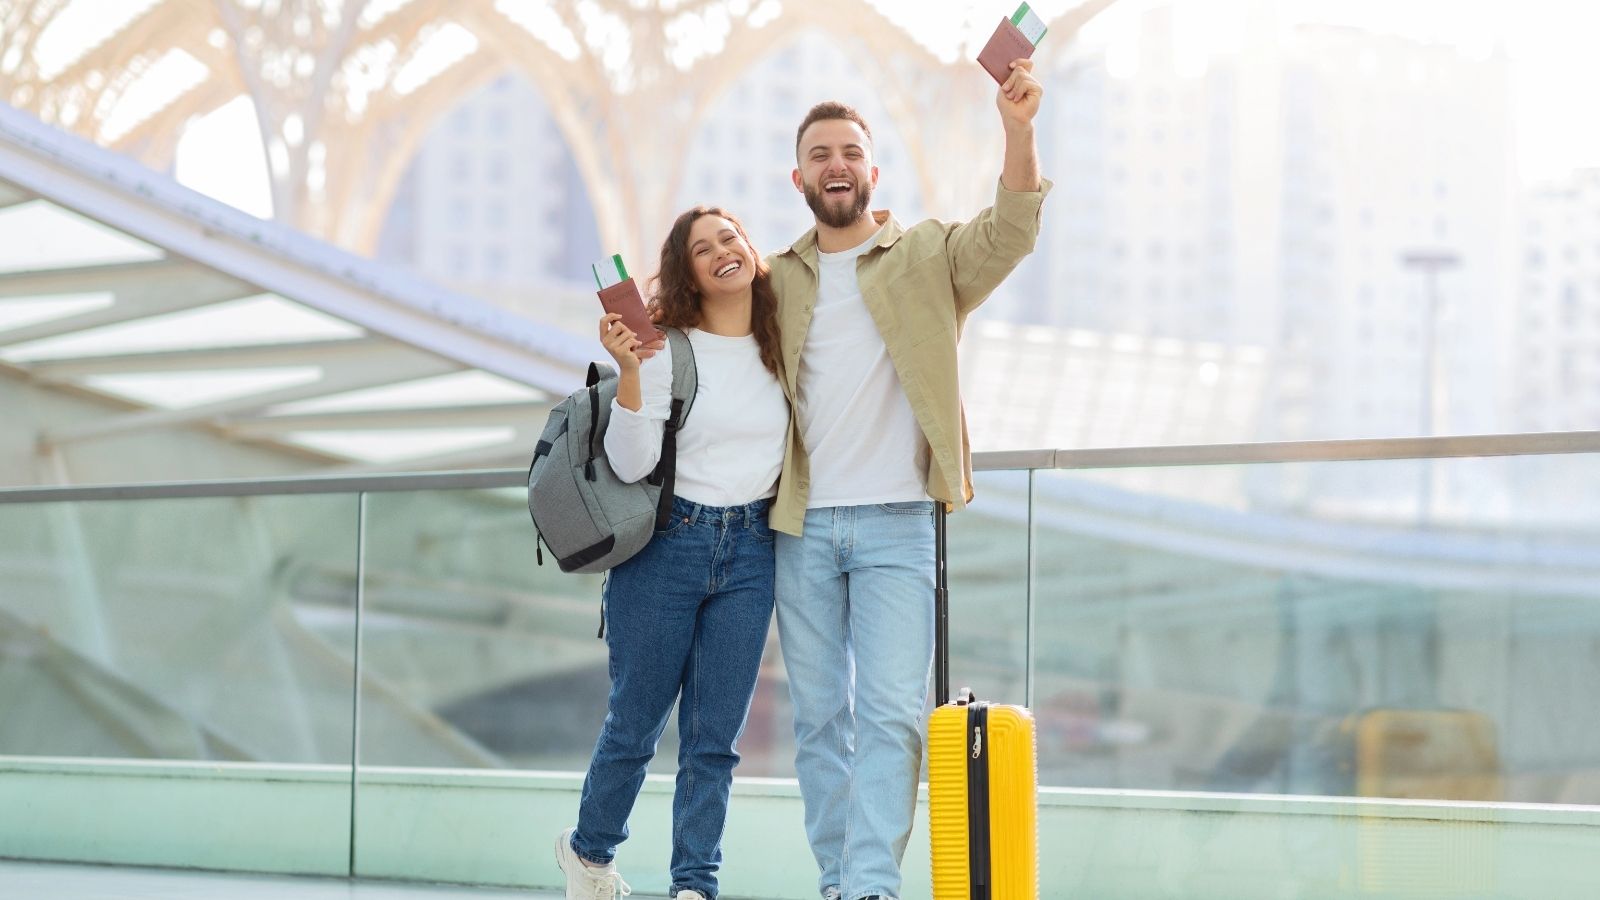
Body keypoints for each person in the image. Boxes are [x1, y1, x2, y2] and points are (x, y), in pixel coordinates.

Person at [765, 60, 1049, 900]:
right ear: (801, 177)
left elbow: (1013, 230)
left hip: (898, 524)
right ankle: (837, 882)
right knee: (820, 724)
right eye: (820, 153)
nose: (836, 162)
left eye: (850, 149)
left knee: (891, 719)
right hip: (801, 526)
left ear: (872, 172)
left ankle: (868, 887)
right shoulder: (775, 278)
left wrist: (1020, 128)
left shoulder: (924, 254)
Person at [554, 207, 789, 900]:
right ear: (685, 271)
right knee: (636, 721)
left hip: (753, 550)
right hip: (667, 548)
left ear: (751, 249)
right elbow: (630, 465)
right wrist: (629, 370)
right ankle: (589, 855)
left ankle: (695, 884)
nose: (721, 251)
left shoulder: (783, 341)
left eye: (730, 237)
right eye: (701, 248)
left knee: (714, 740)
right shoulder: (667, 349)